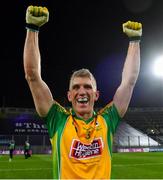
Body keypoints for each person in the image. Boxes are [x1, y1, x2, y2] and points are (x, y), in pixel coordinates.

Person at [23, 5, 142, 179]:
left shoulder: (108, 119)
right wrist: (32, 28)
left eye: (88, 87)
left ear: (96, 95)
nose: (82, 92)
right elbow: (32, 75)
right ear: (69, 95)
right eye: (76, 87)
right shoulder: (58, 119)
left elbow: (129, 82)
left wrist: (134, 42)